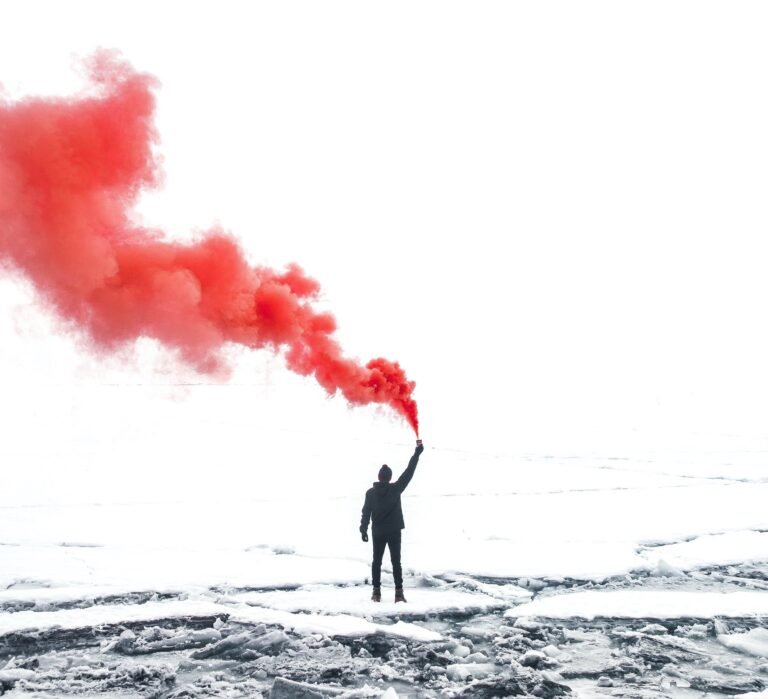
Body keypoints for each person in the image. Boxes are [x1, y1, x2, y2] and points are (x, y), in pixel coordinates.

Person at [360, 439, 424, 602]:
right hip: (394, 531)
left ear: (379, 477)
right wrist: (417, 453)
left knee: (377, 561)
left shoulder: (370, 493)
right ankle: (399, 593)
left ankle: (376, 593)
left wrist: (363, 529)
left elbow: (366, 512)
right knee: (396, 562)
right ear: (389, 477)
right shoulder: (396, 489)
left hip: (378, 532)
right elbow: (409, 471)